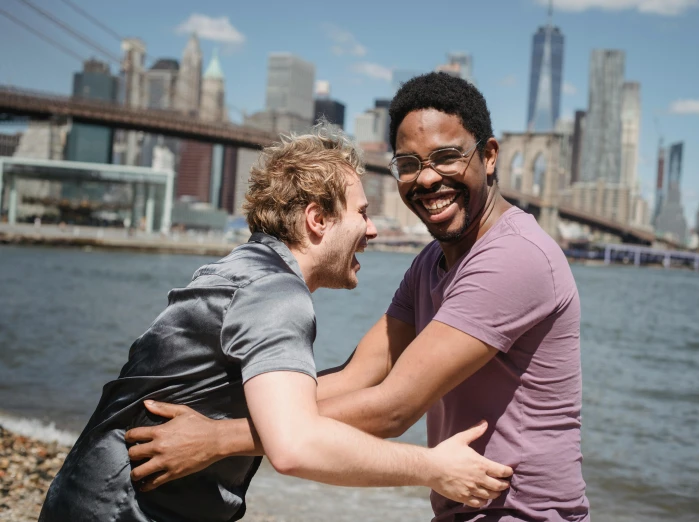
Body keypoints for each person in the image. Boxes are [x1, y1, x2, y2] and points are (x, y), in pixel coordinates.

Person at [128, 73, 589, 521]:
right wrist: (223, 406)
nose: (427, 180)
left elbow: (393, 408)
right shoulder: (431, 262)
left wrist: (219, 437)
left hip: (525, 512)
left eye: (446, 157)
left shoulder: (513, 258)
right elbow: (357, 376)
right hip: (462, 508)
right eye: (409, 164)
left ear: (489, 156)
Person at [38, 123, 513, 522]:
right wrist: (433, 468)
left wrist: (219, 438)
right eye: (362, 214)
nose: (372, 230)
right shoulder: (276, 293)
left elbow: (334, 387)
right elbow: (296, 445)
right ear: (317, 219)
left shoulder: (246, 269)